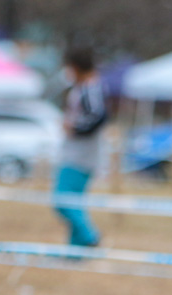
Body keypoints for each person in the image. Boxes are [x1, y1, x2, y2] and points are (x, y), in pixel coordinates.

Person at [54, 46, 106, 248]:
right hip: (77, 153)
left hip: (81, 155)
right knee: (74, 202)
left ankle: (89, 236)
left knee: (63, 201)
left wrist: (74, 127)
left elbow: (98, 118)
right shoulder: (85, 87)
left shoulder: (91, 88)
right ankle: (75, 250)